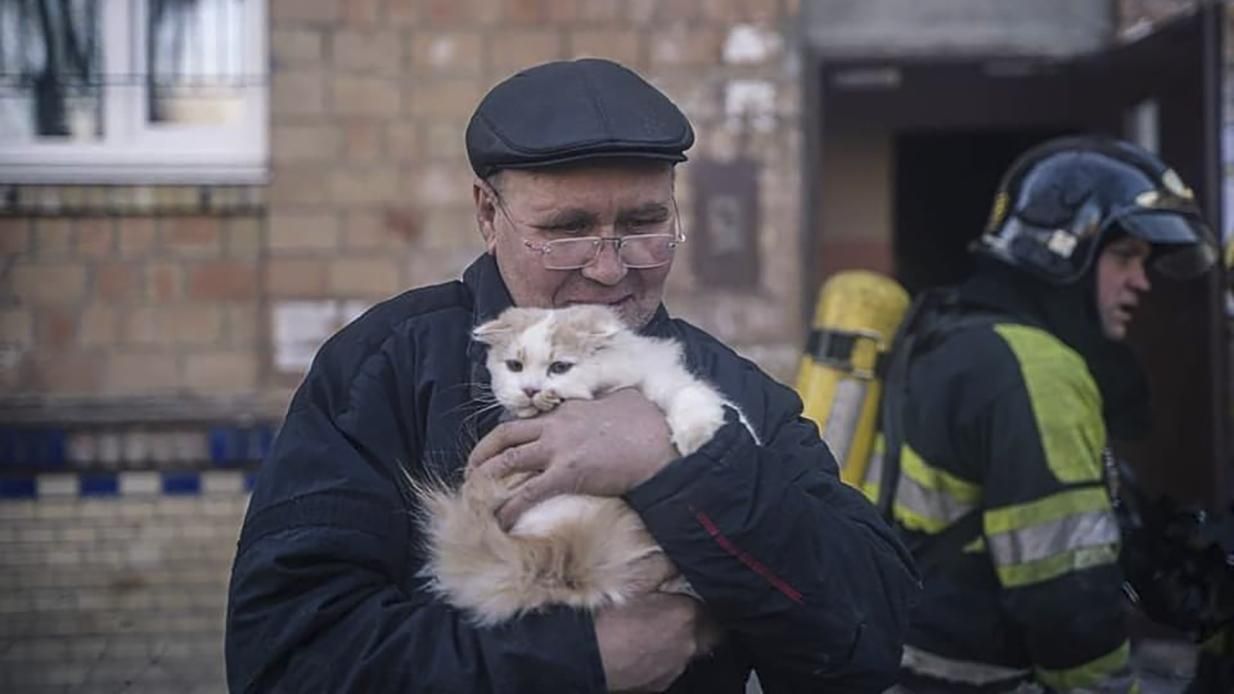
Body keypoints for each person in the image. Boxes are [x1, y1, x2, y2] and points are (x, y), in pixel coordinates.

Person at [225, 58, 919, 693]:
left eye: (645, 222)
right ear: (487, 216)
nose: (610, 268)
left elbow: (866, 639)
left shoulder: (735, 391)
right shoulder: (386, 367)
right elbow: (286, 658)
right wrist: (576, 658)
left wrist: (675, 462)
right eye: (567, 230)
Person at [865, 136, 1218, 693]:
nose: (1142, 281)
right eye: (1125, 257)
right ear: (1064, 250)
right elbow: (1065, 597)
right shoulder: (1038, 368)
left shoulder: (949, 333)